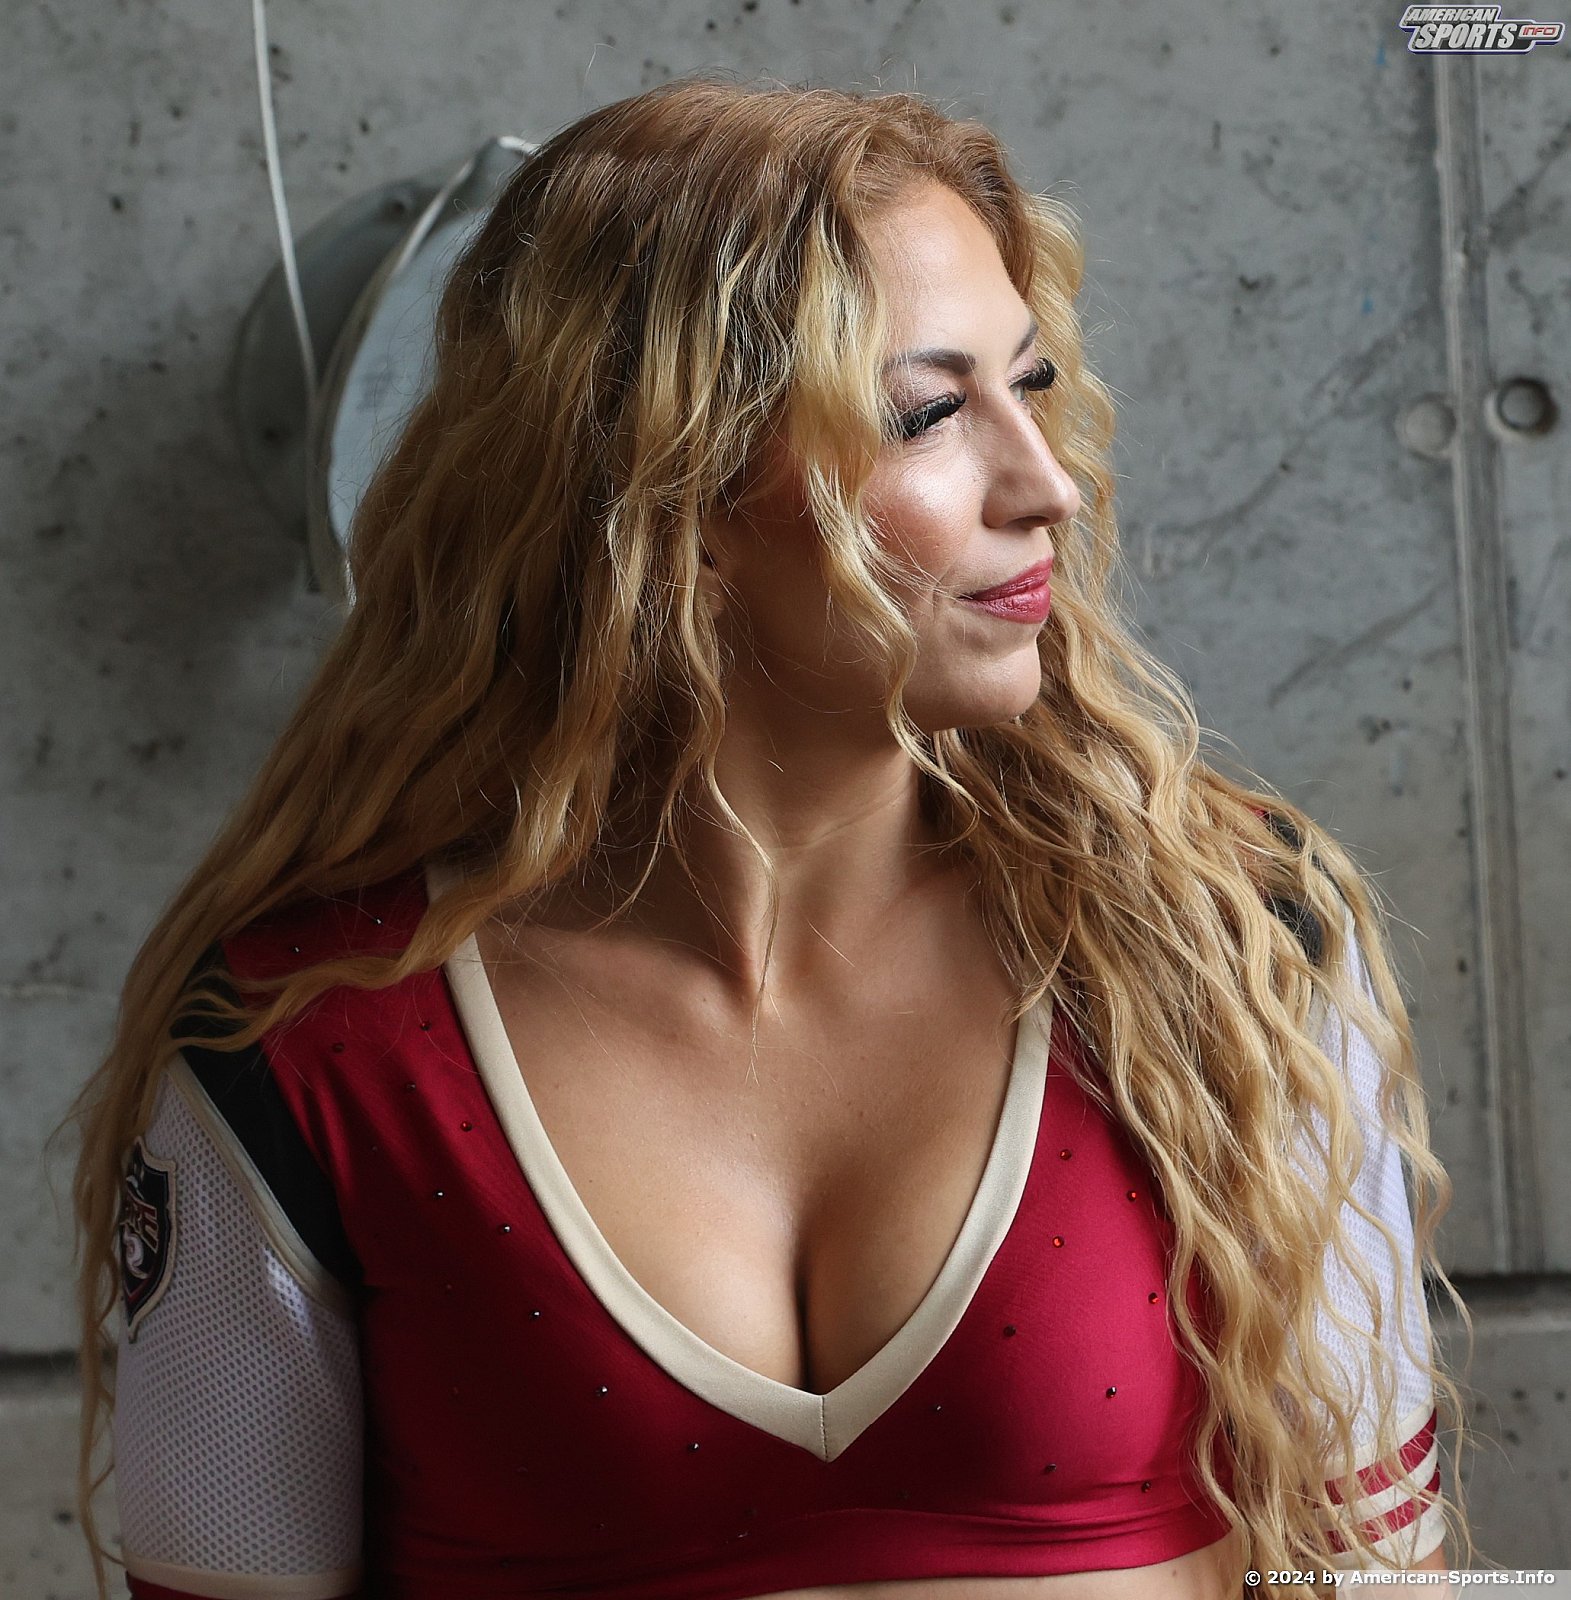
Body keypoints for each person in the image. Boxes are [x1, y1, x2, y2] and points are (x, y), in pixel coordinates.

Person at [67, 75, 1471, 1600]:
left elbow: (1377, 1574)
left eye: (1034, 384)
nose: (1047, 485)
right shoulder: (306, 1040)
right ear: (667, 495)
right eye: (929, 414)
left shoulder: (1230, 945)